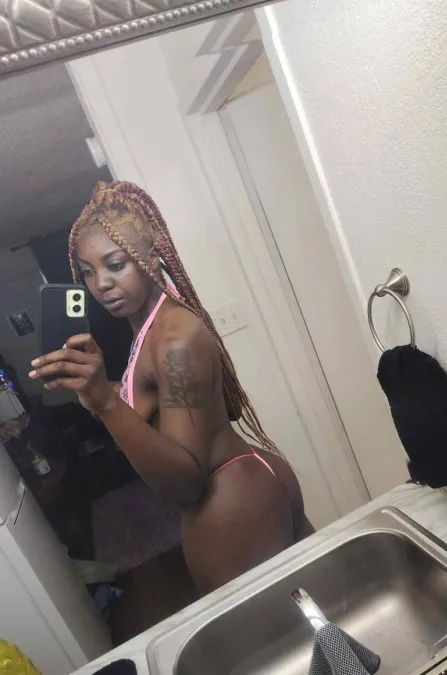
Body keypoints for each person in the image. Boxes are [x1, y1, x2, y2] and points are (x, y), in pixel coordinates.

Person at [30, 181, 312, 593]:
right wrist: (98, 388)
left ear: (151, 257)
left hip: (230, 503)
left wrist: (105, 403)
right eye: (88, 271)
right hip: (249, 481)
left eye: (115, 264)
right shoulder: (152, 325)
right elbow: (158, 395)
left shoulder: (174, 341)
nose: (101, 284)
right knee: (324, 607)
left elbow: (186, 485)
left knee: (279, 629)